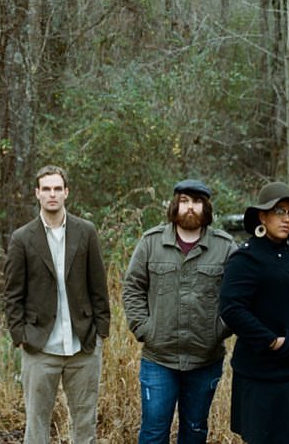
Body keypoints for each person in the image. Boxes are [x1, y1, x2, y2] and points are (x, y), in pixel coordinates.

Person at [122, 179, 236, 444]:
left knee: (195, 431)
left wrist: (218, 331)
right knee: (153, 432)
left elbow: (238, 298)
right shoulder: (151, 242)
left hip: (204, 360)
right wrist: (144, 329)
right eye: (184, 201)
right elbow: (133, 288)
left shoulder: (225, 247)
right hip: (158, 358)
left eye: (196, 202)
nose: (190, 208)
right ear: (175, 205)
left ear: (205, 207)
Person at [3, 165, 111, 444]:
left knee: (84, 426)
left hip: (83, 345)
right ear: (37, 193)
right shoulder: (22, 238)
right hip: (40, 347)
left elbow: (99, 286)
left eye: (57, 189)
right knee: (36, 428)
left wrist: (101, 332)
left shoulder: (85, 232)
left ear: (66, 193)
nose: (52, 194)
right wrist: (20, 336)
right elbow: (12, 294)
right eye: (46, 189)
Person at [218, 181, 289, 444]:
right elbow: (231, 309)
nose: (286, 219)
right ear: (262, 216)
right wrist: (272, 341)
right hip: (265, 372)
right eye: (279, 211)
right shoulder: (246, 259)